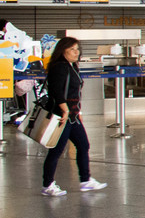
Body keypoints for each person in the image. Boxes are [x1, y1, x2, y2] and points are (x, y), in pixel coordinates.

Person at [41, 37, 107, 196]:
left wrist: (79, 112)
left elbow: (75, 93)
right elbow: (56, 92)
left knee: (83, 145)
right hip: (63, 116)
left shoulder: (72, 66)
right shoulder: (59, 67)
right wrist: (64, 110)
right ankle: (47, 185)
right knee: (56, 151)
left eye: (77, 49)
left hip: (73, 115)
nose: (77, 52)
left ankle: (86, 180)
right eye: (72, 49)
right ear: (63, 50)